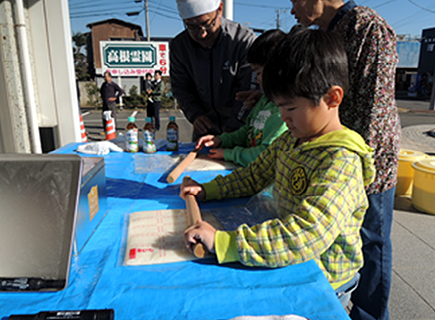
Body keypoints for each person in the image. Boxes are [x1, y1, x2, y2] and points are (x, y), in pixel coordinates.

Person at [181, 27, 376, 308]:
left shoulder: (340, 160)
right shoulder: (292, 139)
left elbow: (309, 233)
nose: (283, 117)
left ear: (332, 98)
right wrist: (207, 190)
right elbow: (255, 175)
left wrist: (226, 243)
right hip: (291, 261)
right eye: (279, 107)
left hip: (324, 283)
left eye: (291, 108)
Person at [289, 1, 400, 319]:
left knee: (371, 240)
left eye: (295, 0)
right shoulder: (323, 30)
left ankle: (369, 315)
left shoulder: (367, 28)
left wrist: (350, 166)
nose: (293, 8)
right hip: (330, 152)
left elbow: (373, 111)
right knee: (343, 237)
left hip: (365, 160)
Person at [195, 29, 288, 167]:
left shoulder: (285, 111)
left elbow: (266, 155)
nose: (257, 80)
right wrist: (221, 140)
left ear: (278, 69)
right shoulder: (265, 100)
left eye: (259, 73)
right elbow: (247, 132)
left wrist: (230, 154)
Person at [170, 0, 257, 141]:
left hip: (241, 130)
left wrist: (232, 131)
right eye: (192, 27)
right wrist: (195, 115)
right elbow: (181, 88)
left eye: (207, 24)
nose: (202, 34)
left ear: (220, 9)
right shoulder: (179, 47)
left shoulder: (242, 41)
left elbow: (250, 91)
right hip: (205, 131)